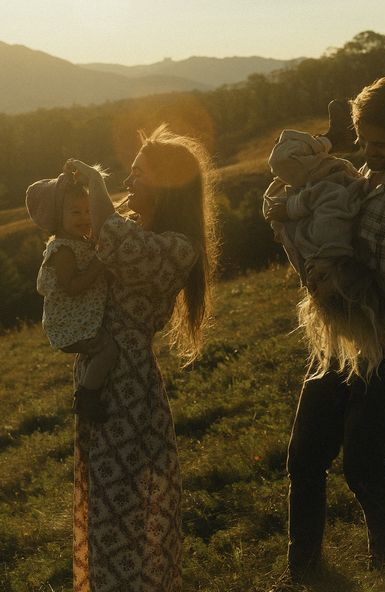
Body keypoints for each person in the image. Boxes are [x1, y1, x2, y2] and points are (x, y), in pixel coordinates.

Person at [269, 77, 385, 590]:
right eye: (363, 140)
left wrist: (368, 298)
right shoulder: (365, 175)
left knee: (362, 462)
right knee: (305, 456)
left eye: (382, 144)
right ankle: (303, 570)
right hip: (340, 344)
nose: (369, 153)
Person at [66, 124, 217, 592]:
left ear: (167, 185)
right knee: (105, 491)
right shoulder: (137, 231)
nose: (128, 184)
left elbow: (117, 243)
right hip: (101, 372)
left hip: (128, 381)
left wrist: (95, 184)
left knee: (125, 494)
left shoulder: (176, 247)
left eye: (137, 174)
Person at [263, 107, 385, 380]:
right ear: (340, 271)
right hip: (328, 178)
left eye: (313, 285)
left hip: (297, 193)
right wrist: (291, 210)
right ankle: (334, 139)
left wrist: (283, 227)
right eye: (322, 277)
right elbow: (331, 196)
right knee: (283, 158)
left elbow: (293, 241)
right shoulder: (330, 242)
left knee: (273, 187)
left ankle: (328, 143)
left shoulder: (313, 267)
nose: (312, 278)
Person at [25, 172, 118, 423]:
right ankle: (87, 396)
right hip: (68, 326)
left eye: (88, 211)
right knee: (107, 350)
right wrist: (99, 263)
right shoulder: (63, 249)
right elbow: (72, 287)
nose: (85, 218)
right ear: (58, 217)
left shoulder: (80, 242)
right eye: (75, 213)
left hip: (79, 319)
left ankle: (90, 388)